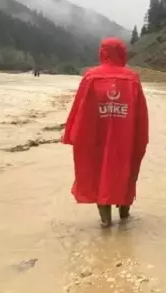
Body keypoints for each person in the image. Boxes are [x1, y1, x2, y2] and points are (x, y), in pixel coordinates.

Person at [62, 37, 149, 228]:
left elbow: (79, 109)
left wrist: (71, 135)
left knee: (99, 174)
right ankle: (124, 219)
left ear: (102, 53)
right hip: (125, 139)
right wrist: (141, 138)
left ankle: (105, 222)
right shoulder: (132, 78)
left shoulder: (91, 77)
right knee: (126, 172)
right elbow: (141, 114)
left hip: (96, 139)